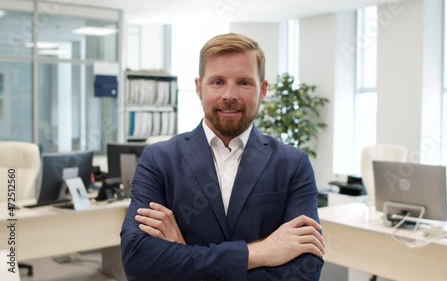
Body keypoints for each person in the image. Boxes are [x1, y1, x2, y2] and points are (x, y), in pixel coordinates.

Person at [120, 32, 325, 281]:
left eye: (244, 82)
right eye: (217, 82)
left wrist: (183, 255)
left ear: (262, 90)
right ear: (198, 87)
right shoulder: (159, 159)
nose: (229, 95)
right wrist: (257, 253)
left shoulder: (293, 164)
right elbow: (138, 261)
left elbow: (304, 271)